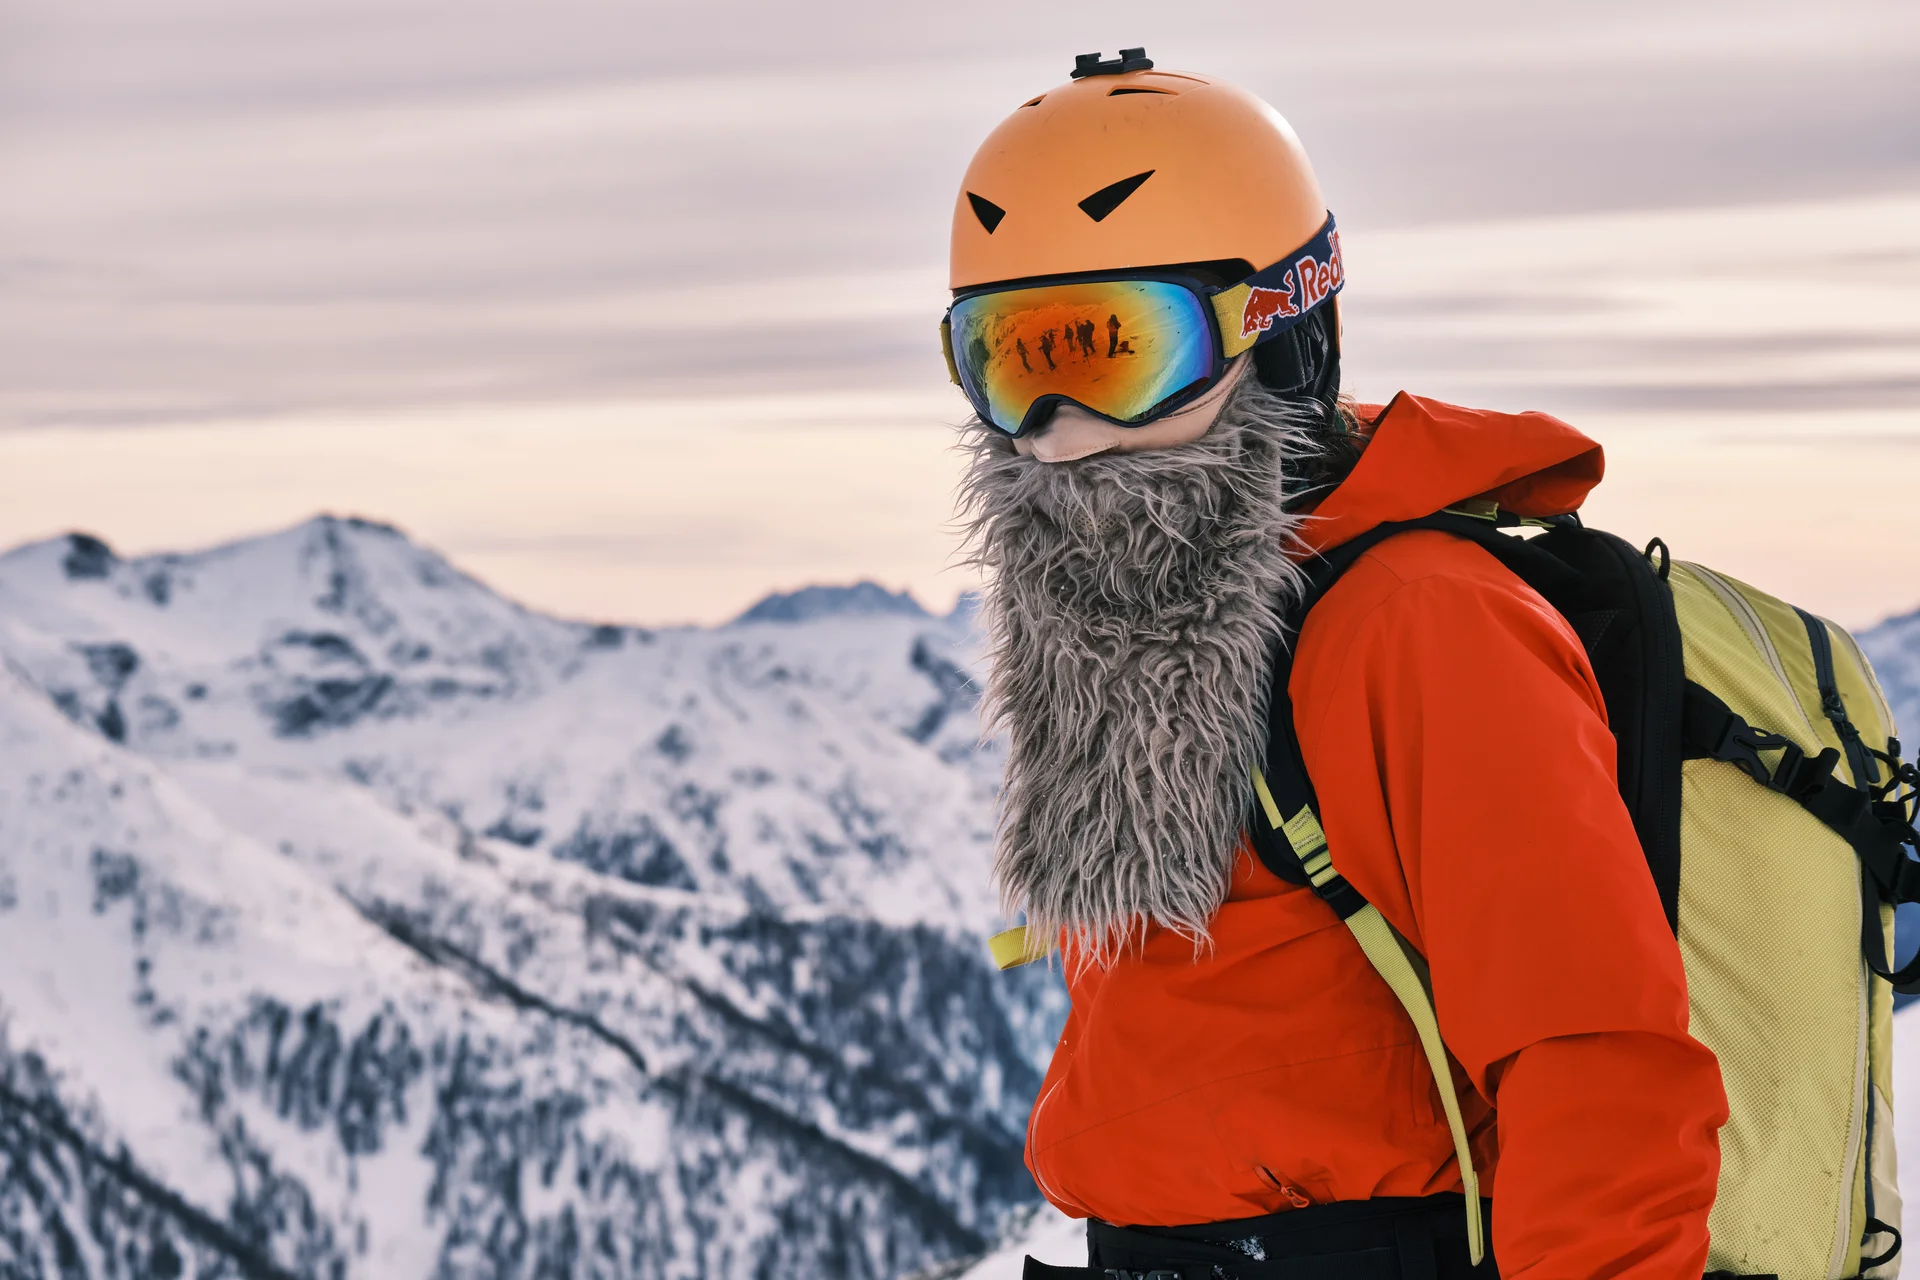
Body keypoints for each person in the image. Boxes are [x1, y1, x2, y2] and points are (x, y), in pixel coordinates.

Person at [942, 52, 1728, 1280]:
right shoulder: (1133, 629)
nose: (1060, 429)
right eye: (1009, 357)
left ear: (1286, 336)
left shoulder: (1421, 624)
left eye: (1115, 348)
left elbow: (1601, 1071)